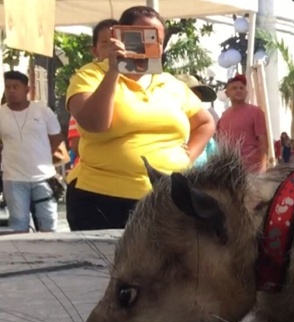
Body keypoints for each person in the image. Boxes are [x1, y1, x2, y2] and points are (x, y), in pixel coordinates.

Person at [65, 5, 215, 231]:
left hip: (163, 200)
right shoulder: (91, 75)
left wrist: (187, 158)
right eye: (140, 36)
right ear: (120, 36)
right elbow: (95, 123)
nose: (149, 44)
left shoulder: (171, 83)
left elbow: (205, 122)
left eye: (157, 39)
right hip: (101, 199)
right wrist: (114, 71)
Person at [0, 71, 63, 232]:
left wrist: (43, 158)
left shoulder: (42, 111)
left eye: (16, 87)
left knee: (48, 223)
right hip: (13, 179)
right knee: (18, 223)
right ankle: (22, 256)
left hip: (43, 177)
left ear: (27, 89)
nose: (12, 91)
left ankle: (50, 256)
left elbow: (56, 139)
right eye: (8, 87)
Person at [67, 18, 118, 170]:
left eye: (118, 41)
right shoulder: (87, 81)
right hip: (97, 178)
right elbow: (76, 145)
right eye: (106, 43)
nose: (114, 47)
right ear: (94, 50)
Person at [216, 73, 269, 173]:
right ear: (227, 93)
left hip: (252, 169)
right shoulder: (223, 116)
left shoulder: (256, 112)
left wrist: (263, 165)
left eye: (241, 88)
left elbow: (263, 139)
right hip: (230, 170)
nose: (239, 90)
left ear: (246, 92)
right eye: (234, 88)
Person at [177, 74, 220, 167]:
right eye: (191, 99)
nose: (196, 105)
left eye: (198, 99)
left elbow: (218, 168)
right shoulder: (161, 133)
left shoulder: (207, 138)